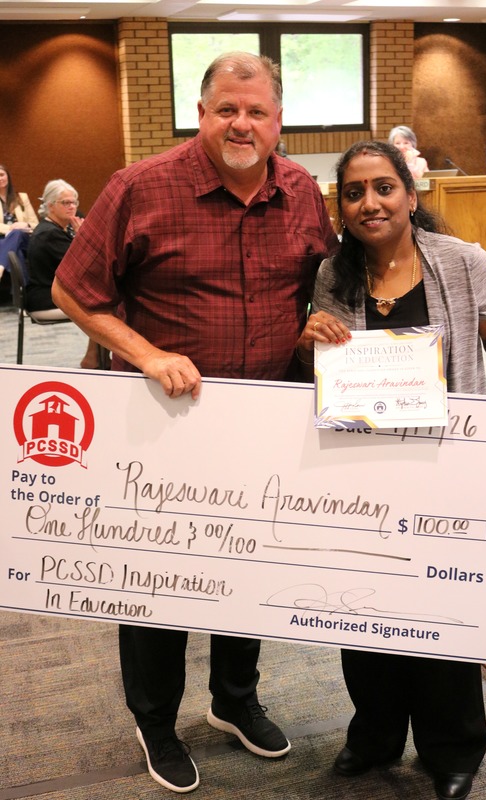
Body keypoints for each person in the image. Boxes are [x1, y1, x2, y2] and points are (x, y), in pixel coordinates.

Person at [51, 51, 338, 794]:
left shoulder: (303, 191)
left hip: (263, 420)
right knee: (159, 578)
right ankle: (155, 720)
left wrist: (312, 326)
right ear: (201, 112)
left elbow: (320, 288)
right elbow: (74, 289)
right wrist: (144, 352)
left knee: (245, 566)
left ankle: (234, 701)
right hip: (162, 426)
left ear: (278, 121)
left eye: (258, 112)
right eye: (226, 109)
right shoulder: (141, 186)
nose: (242, 124)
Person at [295, 140, 486, 800]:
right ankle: (371, 737)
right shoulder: (330, 277)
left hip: (448, 471)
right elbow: (322, 382)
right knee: (362, 614)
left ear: (410, 194)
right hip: (360, 476)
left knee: (443, 608)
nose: (368, 202)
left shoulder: (462, 263)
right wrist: (308, 341)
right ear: (340, 207)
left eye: (382, 188)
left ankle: (451, 748)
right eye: (352, 192)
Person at [26, 179, 104, 370]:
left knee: (108, 301)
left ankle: (97, 358)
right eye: (66, 203)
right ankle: (94, 359)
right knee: (107, 307)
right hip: (46, 298)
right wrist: (82, 237)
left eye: (74, 202)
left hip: (54, 292)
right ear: (50, 206)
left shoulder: (58, 229)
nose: (72, 207)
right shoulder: (48, 234)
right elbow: (82, 266)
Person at [0, 164, 38, 301]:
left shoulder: (22, 197)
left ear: (8, 177)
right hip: (3, 241)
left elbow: (35, 224)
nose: (0, 178)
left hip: (25, 238)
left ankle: (1, 266)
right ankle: (22, 293)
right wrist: (11, 228)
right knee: (16, 253)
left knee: (17, 234)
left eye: (2, 175)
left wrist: (25, 224)